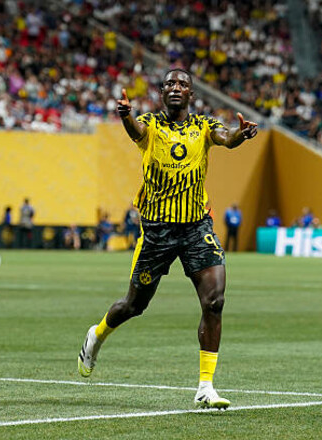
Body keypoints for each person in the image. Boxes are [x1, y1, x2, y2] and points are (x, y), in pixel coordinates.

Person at [77, 69, 258, 409]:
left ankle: (205, 386)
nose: (176, 88)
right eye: (170, 84)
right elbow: (136, 131)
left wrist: (241, 134)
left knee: (214, 301)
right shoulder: (150, 124)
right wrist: (126, 116)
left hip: (196, 227)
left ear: (191, 94)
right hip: (157, 230)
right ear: (162, 92)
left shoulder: (204, 126)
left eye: (182, 84)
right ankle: (97, 334)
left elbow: (226, 138)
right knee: (134, 306)